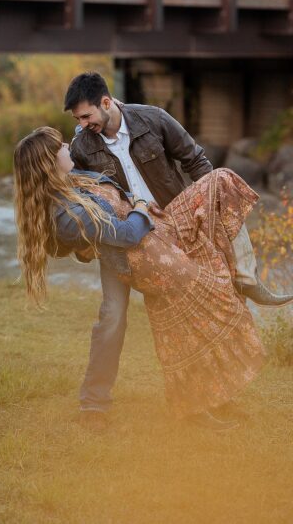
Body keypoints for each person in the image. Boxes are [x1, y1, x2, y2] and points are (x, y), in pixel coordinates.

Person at [62, 72, 290, 429]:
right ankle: (94, 405)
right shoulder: (81, 147)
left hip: (174, 224)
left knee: (221, 184)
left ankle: (245, 284)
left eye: (86, 116)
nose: (82, 125)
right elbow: (82, 204)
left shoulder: (153, 118)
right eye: (77, 119)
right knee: (113, 317)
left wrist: (209, 222)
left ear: (106, 103)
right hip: (123, 238)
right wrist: (86, 248)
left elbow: (196, 161)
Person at [14, 126, 265, 431]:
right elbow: (128, 234)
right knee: (125, 317)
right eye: (61, 147)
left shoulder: (75, 178)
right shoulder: (66, 214)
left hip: (155, 230)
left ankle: (246, 278)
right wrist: (141, 207)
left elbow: (114, 192)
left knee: (221, 181)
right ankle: (101, 403)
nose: (68, 146)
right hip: (136, 256)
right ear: (49, 162)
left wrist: (140, 205)